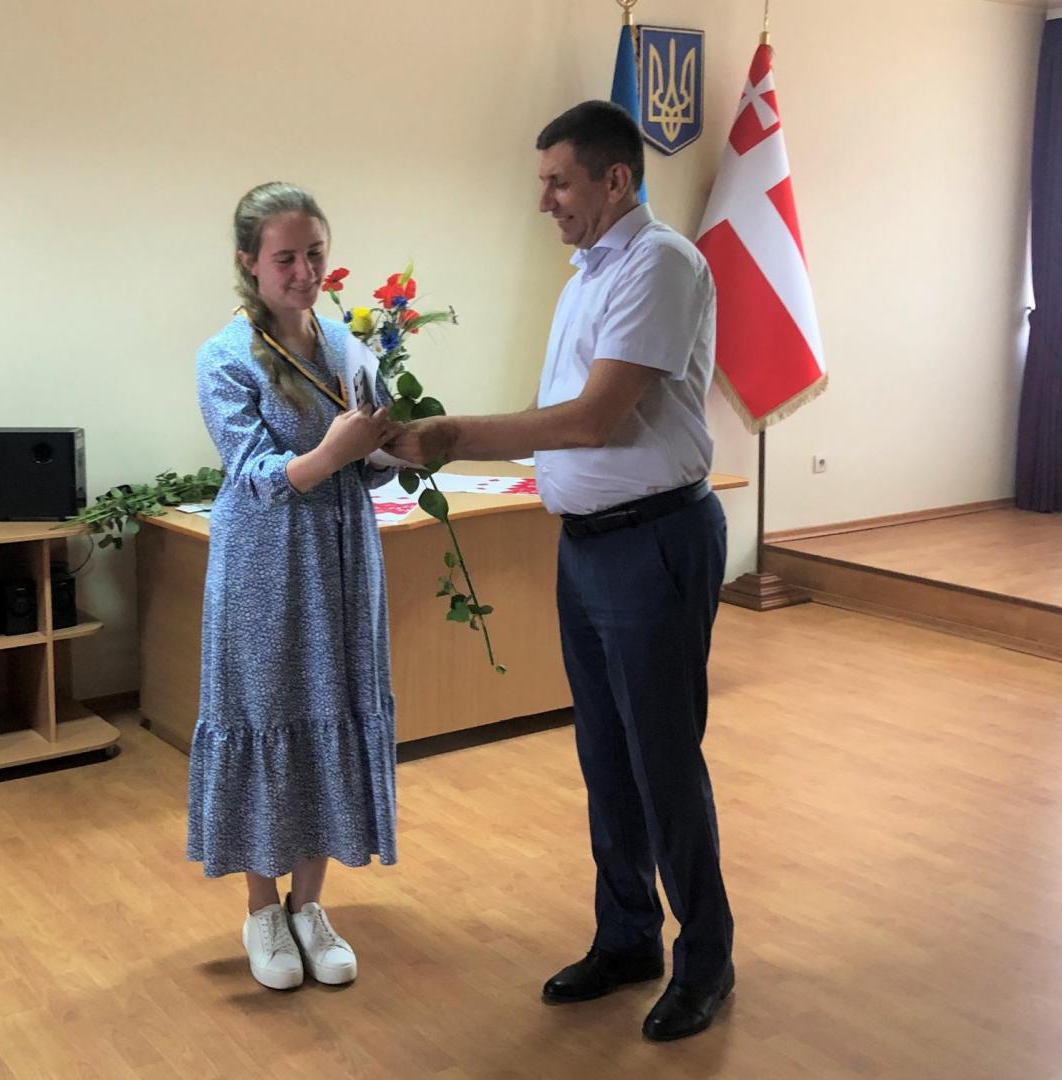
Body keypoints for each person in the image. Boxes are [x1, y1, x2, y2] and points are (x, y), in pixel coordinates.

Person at [388, 101, 733, 1041]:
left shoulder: (660, 264)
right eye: (542, 182)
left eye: (558, 182)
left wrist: (452, 434)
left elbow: (592, 420)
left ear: (616, 179)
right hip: (588, 545)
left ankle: (707, 958)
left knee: (662, 757)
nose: (544, 201)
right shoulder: (589, 273)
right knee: (606, 754)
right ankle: (627, 937)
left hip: (653, 540)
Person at [188, 181, 400, 991]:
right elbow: (253, 475)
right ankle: (261, 911)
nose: (305, 272)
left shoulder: (346, 345)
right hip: (266, 565)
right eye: (286, 258)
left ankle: (309, 905)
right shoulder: (224, 357)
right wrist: (336, 451)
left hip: (343, 555)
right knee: (267, 714)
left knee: (331, 708)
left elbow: (370, 459)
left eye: (315, 253)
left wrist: (393, 446)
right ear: (249, 262)